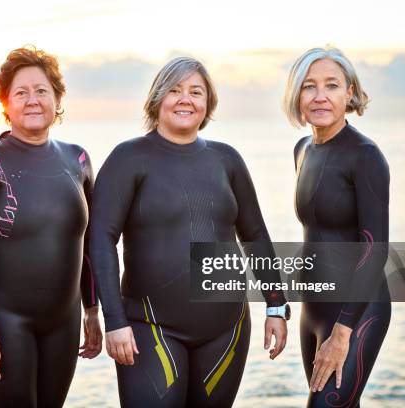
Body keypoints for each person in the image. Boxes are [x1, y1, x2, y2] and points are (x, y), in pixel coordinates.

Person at [90, 57, 289, 407]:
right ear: (157, 99)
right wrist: (114, 320)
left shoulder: (227, 160)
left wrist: (275, 306)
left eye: (196, 92)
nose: (186, 99)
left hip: (226, 329)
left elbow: (255, 235)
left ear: (207, 103)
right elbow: (101, 240)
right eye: (175, 90)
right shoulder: (128, 159)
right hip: (150, 328)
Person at [0, 46, 102, 407]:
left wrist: (92, 309)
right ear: (5, 103)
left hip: (64, 323)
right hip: (6, 323)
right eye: (21, 92)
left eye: (41, 91)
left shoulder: (77, 158)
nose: (32, 100)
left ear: (57, 98)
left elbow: (90, 243)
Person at [283, 46, 391, 407]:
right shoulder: (302, 149)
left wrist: (343, 332)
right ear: (297, 94)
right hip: (312, 309)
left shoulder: (365, 156)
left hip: (356, 311)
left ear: (350, 92)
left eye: (331, 85)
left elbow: (374, 247)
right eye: (309, 86)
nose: (319, 96)